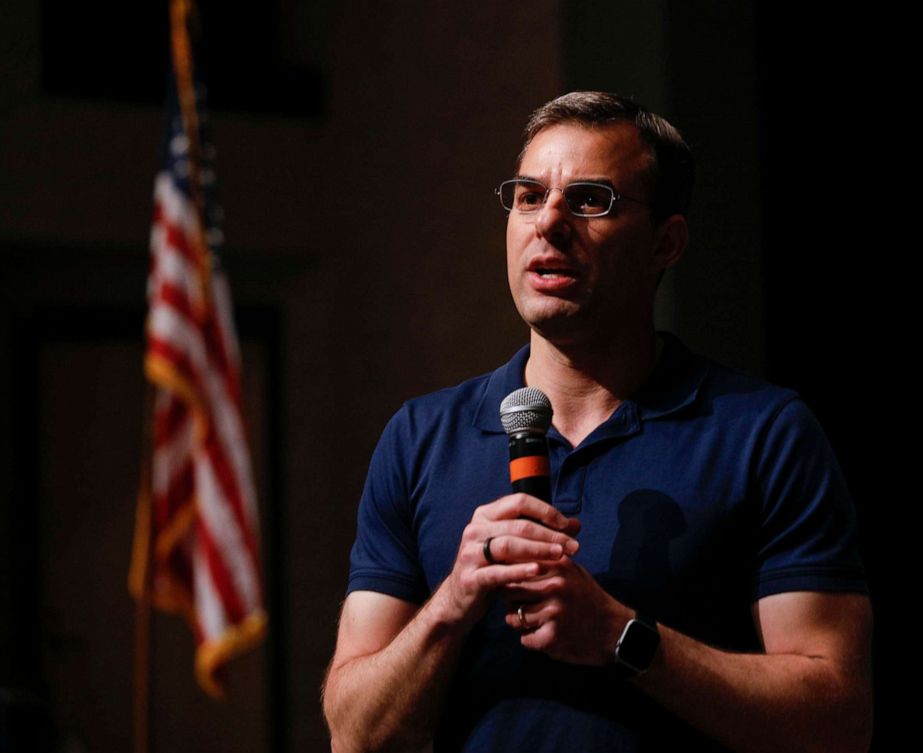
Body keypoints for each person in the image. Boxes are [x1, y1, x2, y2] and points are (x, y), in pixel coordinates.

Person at [322, 92, 872, 753]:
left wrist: (622, 637)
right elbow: (354, 733)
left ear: (665, 241)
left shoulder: (764, 432)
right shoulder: (419, 439)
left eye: (590, 200)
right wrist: (454, 600)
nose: (548, 223)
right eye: (528, 196)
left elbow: (837, 722)